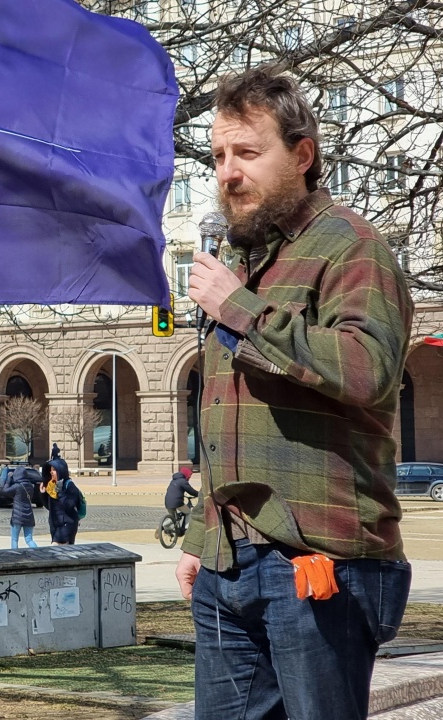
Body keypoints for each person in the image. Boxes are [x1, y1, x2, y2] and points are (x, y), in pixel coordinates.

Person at [179, 66, 413, 720]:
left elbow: (369, 368)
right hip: (228, 566)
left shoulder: (351, 247)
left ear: (302, 155)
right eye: (219, 156)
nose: (227, 172)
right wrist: (205, 540)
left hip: (318, 565)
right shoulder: (246, 266)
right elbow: (225, 415)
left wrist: (242, 311)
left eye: (248, 153)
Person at [38, 458, 80, 545]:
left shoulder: (69, 486)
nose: (51, 472)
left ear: (60, 471)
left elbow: (69, 505)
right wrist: (43, 494)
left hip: (66, 525)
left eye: (54, 470)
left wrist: (60, 492)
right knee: (65, 554)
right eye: (50, 470)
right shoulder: (51, 486)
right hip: (55, 525)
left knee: (54, 549)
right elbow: (49, 507)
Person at [0, 466, 40, 549]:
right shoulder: (30, 486)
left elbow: (4, 491)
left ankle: (15, 557)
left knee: (14, 539)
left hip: (17, 516)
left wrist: (8, 480)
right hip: (29, 515)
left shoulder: (17, 486)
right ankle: (38, 553)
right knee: (29, 539)